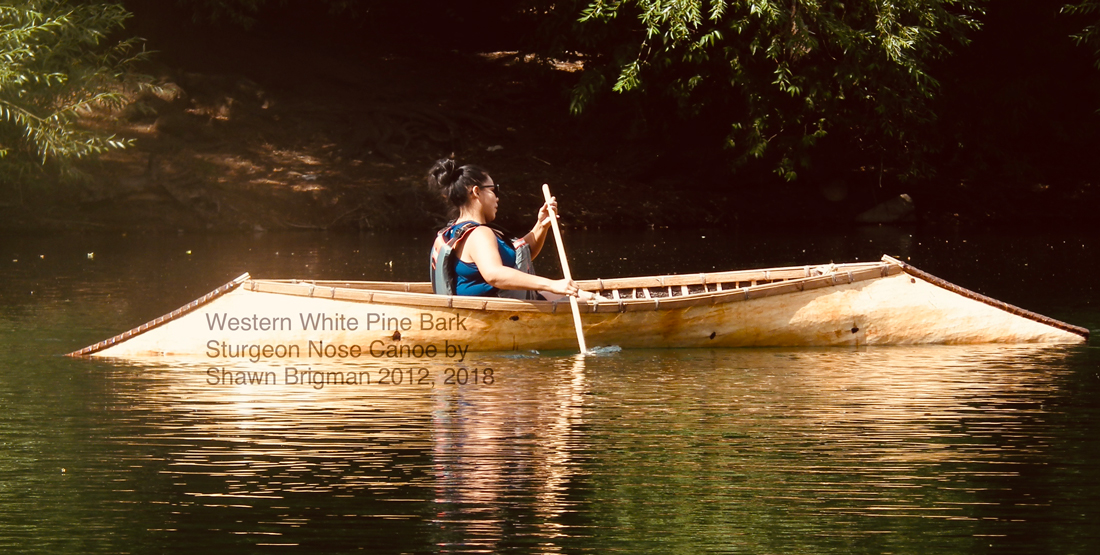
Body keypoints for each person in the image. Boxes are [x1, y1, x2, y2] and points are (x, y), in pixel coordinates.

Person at [428, 158, 579, 299]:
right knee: (590, 299)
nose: (497, 197)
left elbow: (518, 259)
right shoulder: (479, 234)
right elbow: (495, 274)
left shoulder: (456, 230)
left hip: (494, 310)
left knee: (585, 296)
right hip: (497, 315)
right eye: (494, 190)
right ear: (476, 192)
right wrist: (552, 284)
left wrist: (541, 225)